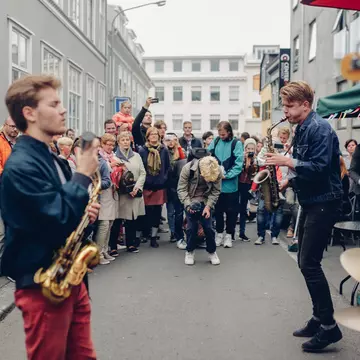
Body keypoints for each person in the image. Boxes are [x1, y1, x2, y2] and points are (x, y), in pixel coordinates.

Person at [0, 75, 100, 359]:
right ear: (29, 113)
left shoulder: (53, 159)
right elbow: (54, 221)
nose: (63, 109)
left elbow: (65, 209)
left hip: (71, 280)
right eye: (54, 104)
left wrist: (85, 213)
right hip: (43, 286)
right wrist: (81, 175)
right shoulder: (20, 166)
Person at [265, 81, 343, 352]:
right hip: (312, 200)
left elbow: (321, 167)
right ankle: (318, 317)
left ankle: (329, 328)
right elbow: (307, 168)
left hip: (324, 202)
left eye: (289, 105)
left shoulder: (320, 129)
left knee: (309, 263)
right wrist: (288, 182)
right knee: (305, 260)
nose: (285, 110)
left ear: (306, 105)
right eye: (284, 105)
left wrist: (288, 163)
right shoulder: (303, 128)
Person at [177, 155, 222, 265]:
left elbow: (216, 191)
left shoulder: (217, 171)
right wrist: (188, 205)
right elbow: (181, 189)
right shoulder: (188, 169)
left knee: (209, 228)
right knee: (191, 228)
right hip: (191, 199)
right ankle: (190, 251)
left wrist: (208, 206)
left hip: (206, 201)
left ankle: (212, 251)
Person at [208, 121, 243, 248]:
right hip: (217, 186)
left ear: (229, 132)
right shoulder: (216, 141)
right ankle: (218, 234)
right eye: (219, 134)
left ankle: (229, 235)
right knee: (218, 212)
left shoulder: (236, 143)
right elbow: (208, 156)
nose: (221, 136)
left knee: (231, 213)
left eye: (223, 134)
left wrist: (226, 175)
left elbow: (239, 164)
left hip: (231, 186)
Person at [138, 127, 170, 248]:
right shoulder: (142, 150)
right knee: (145, 212)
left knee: (157, 212)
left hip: (159, 185)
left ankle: (153, 237)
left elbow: (167, 167)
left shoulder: (164, 150)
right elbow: (141, 168)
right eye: (151, 134)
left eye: (156, 134)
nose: (154, 136)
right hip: (147, 185)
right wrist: (146, 182)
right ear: (148, 136)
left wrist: (163, 180)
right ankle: (144, 234)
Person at [115, 131, 146, 253]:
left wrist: (137, 187)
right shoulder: (114, 157)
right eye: (123, 140)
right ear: (118, 142)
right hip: (122, 193)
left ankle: (131, 244)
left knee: (132, 219)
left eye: (127, 140)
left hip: (135, 191)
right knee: (118, 219)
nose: (125, 142)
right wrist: (127, 188)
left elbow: (143, 173)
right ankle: (113, 246)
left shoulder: (137, 156)